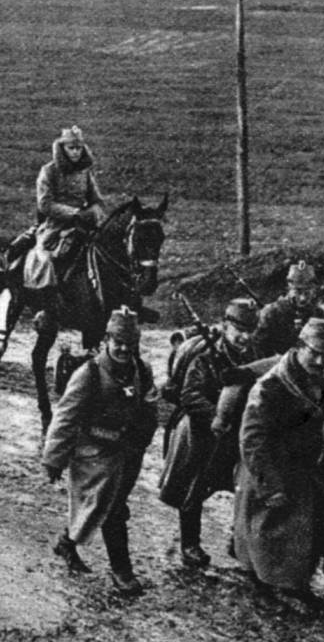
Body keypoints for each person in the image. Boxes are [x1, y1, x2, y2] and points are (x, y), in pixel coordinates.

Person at [41, 306, 159, 595]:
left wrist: (142, 437)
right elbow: (65, 417)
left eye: (130, 344)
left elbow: (150, 408)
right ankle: (122, 573)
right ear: (107, 339)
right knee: (112, 510)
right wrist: (53, 460)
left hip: (127, 453)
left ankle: (66, 543)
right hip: (93, 453)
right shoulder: (89, 373)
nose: (123, 348)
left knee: (103, 507)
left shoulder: (141, 370)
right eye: (117, 342)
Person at [232, 318, 324, 615]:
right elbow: (252, 440)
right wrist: (270, 485)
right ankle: (272, 588)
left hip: (304, 466)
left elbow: (323, 403)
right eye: (315, 352)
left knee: (309, 526)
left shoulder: (317, 374)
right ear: (298, 347)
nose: (321, 360)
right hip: (270, 466)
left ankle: (293, 584)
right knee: (272, 531)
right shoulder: (270, 386)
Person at [158, 298, 263, 568]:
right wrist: (214, 414)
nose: (243, 336)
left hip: (236, 431)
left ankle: (237, 540)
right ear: (225, 326)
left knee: (245, 485)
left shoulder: (252, 356)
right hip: (202, 430)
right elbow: (190, 395)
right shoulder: (206, 357)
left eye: (249, 330)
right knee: (193, 486)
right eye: (238, 329)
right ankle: (190, 543)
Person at [27, 126, 105, 303]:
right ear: (62, 148)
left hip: (84, 223)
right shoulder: (49, 171)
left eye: (78, 148)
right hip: (56, 225)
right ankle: (47, 300)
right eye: (71, 148)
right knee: (45, 257)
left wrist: (92, 213)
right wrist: (73, 213)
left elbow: (97, 200)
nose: (76, 152)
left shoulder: (85, 172)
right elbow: (45, 204)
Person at [252, 261, 324, 360]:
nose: (302, 298)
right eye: (297, 292)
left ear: (313, 291)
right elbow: (257, 348)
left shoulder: (319, 314)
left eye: (307, 292)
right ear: (288, 289)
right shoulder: (271, 313)